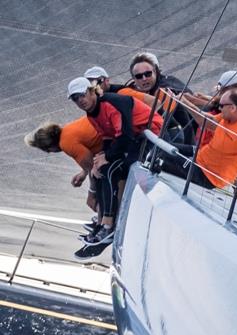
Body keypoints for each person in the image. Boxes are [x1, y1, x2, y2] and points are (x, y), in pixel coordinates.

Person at [68, 77, 163, 253]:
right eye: (75, 98)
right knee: (101, 170)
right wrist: (100, 158)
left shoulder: (110, 103)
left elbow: (124, 135)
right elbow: (107, 137)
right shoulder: (91, 112)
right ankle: (102, 221)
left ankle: (108, 224)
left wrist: (108, 157)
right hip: (132, 138)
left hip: (149, 134)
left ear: (91, 91)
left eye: (81, 95)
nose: (80, 101)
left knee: (114, 169)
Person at [160, 88, 237, 194]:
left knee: (161, 154)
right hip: (200, 157)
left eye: (222, 106)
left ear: (233, 108)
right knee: (162, 145)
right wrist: (185, 102)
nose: (219, 108)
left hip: (207, 176)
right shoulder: (230, 117)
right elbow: (205, 121)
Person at [24, 118, 103, 225]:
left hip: (118, 138)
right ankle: (104, 216)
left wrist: (91, 195)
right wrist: (83, 173)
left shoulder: (66, 143)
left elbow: (94, 169)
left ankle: (105, 222)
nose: (50, 153)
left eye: (47, 151)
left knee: (97, 193)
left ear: (49, 147)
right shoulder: (67, 130)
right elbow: (90, 160)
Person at [125, 52, 194, 144]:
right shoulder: (129, 90)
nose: (144, 78)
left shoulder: (165, 93)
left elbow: (169, 127)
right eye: (139, 76)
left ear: (156, 71)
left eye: (148, 74)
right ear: (133, 78)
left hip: (178, 141)